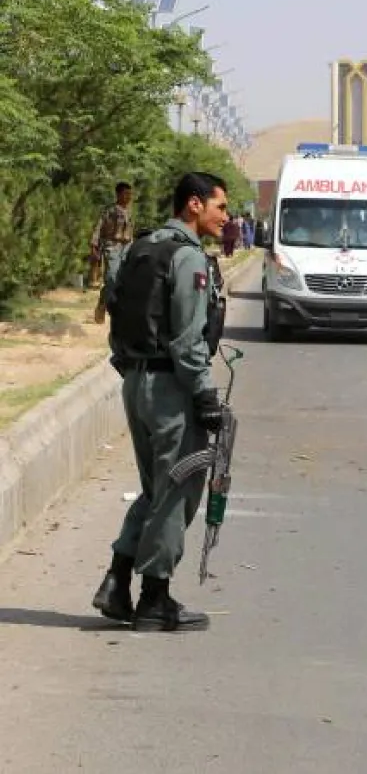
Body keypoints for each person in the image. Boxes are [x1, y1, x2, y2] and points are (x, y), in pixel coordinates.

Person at [92, 172, 230, 632]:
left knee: (156, 488)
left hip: (136, 382)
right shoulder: (186, 255)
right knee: (178, 489)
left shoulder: (141, 247)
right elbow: (189, 340)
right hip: (171, 388)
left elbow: (116, 305)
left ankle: (116, 581)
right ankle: (155, 598)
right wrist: (205, 395)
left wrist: (131, 369)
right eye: (220, 207)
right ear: (194, 205)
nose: (225, 217)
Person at [90, 181, 134, 325]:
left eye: (130, 194)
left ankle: (110, 306)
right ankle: (107, 306)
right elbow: (98, 227)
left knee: (125, 280)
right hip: (112, 246)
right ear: (118, 194)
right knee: (112, 278)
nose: (128, 197)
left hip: (127, 247)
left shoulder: (130, 211)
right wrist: (94, 246)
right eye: (125, 193)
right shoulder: (110, 210)